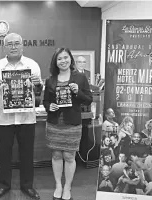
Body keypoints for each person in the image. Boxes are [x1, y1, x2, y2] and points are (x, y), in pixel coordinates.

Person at [0, 33, 43, 200]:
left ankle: (27, 186)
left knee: (27, 153)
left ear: (22, 46)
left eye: (16, 43)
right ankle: (3, 185)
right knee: (4, 154)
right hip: (4, 119)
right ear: (4, 47)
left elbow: (38, 91)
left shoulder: (32, 65)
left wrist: (37, 84)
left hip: (27, 118)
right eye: (9, 44)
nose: (13, 46)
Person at [43, 47, 92, 200]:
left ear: (70, 59)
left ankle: (67, 187)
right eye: (59, 58)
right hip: (54, 123)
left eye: (65, 57)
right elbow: (45, 101)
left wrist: (78, 92)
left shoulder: (80, 77)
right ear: (55, 62)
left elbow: (88, 99)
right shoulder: (50, 80)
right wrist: (48, 106)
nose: (63, 61)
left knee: (70, 156)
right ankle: (58, 184)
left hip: (72, 123)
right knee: (57, 155)